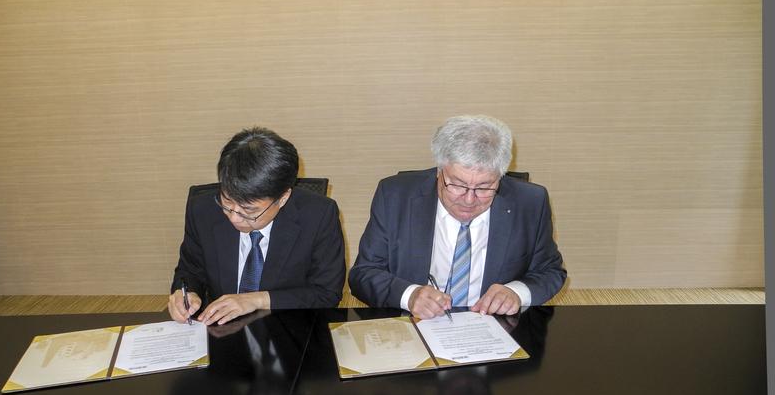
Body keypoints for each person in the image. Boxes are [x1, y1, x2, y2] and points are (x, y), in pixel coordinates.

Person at [348, 115, 565, 319]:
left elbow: (550, 271)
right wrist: (410, 295)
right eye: (457, 185)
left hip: (493, 328)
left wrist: (516, 292)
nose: (469, 200)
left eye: (484, 187)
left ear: (501, 176)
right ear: (439, 170)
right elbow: (363, 274)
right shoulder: (396, 196)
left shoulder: (530, 202)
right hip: (415, 326)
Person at [168, 127, 346, 325]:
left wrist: (258, 300)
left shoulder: (319, 215)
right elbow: (190, 270)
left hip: (289, 327)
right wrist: (186, 294)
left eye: (249, 211)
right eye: (226, 202)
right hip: (222, 331)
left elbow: (326, 293)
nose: (234, 217)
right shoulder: (202, 210)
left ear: (283, 198)